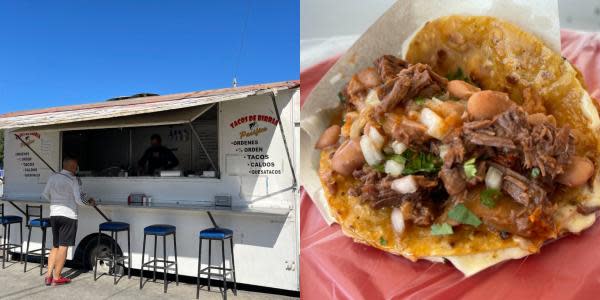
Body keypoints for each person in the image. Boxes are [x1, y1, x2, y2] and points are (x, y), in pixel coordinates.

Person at [42, 156, 95, 286]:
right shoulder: (73, 180)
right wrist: (90, 202)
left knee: (55, 246)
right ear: (72, 167)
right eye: (76, 166)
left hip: (54, 214)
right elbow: (79, 200)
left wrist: (56, 203)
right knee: (63, 246)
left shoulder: (52, 177)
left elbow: (45, 194)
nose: (77, 168)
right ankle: (57, 276)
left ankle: (48, 276)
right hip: (69, 216)